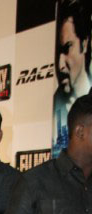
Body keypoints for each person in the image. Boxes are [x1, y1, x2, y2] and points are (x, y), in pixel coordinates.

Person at [53, 0, 92, 149]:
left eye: (68, 47)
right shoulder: (56, 103)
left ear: (84, 44)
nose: (60, 65)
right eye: (58, 52)